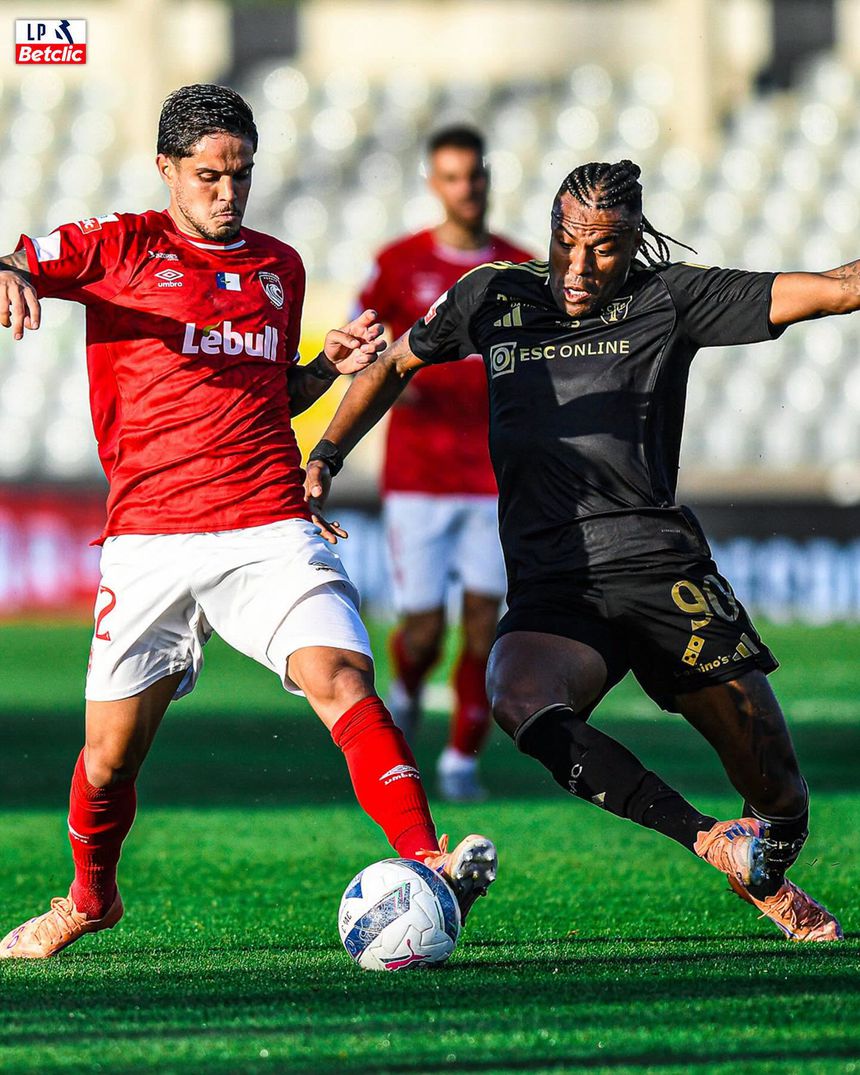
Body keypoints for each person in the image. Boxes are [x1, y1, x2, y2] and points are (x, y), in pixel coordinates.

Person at [0, 84, 496, 960]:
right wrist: (9, 273)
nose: (228, 194)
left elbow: (272, 395)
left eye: (241, 176)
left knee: (339, 674)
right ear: (166, 170)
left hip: (267, 519)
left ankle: (430, 857)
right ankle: (87, 899)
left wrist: (322, 367)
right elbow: (20, 260)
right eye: (208, 177)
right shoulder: (116, 247)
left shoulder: (279, 266)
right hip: (149, 535)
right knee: (109, 760)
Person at [305, 158, 848, 942]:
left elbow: (832, 287)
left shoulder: (671, 297)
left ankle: (764, 854)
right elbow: (394, 365)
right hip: (555, 584)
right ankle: (706, 838)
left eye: (605, 248)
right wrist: (327, 453)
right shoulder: (493, 295)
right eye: (568, 242)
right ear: (552, 228)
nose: (581, 265)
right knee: (519, 699)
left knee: (780, 796)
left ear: (634, 243)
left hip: (664, 572)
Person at [356, 126, 531, 802]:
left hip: (493, 474)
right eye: (452, 177)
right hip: (420, 474)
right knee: (425, 628)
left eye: (475, 176)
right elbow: (364, 343)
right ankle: (406, 684)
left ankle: (462, 758)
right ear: (435, 184)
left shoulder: (518, 267)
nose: (466, 189)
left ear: (487, 179)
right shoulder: (398, 264)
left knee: (486, 620)